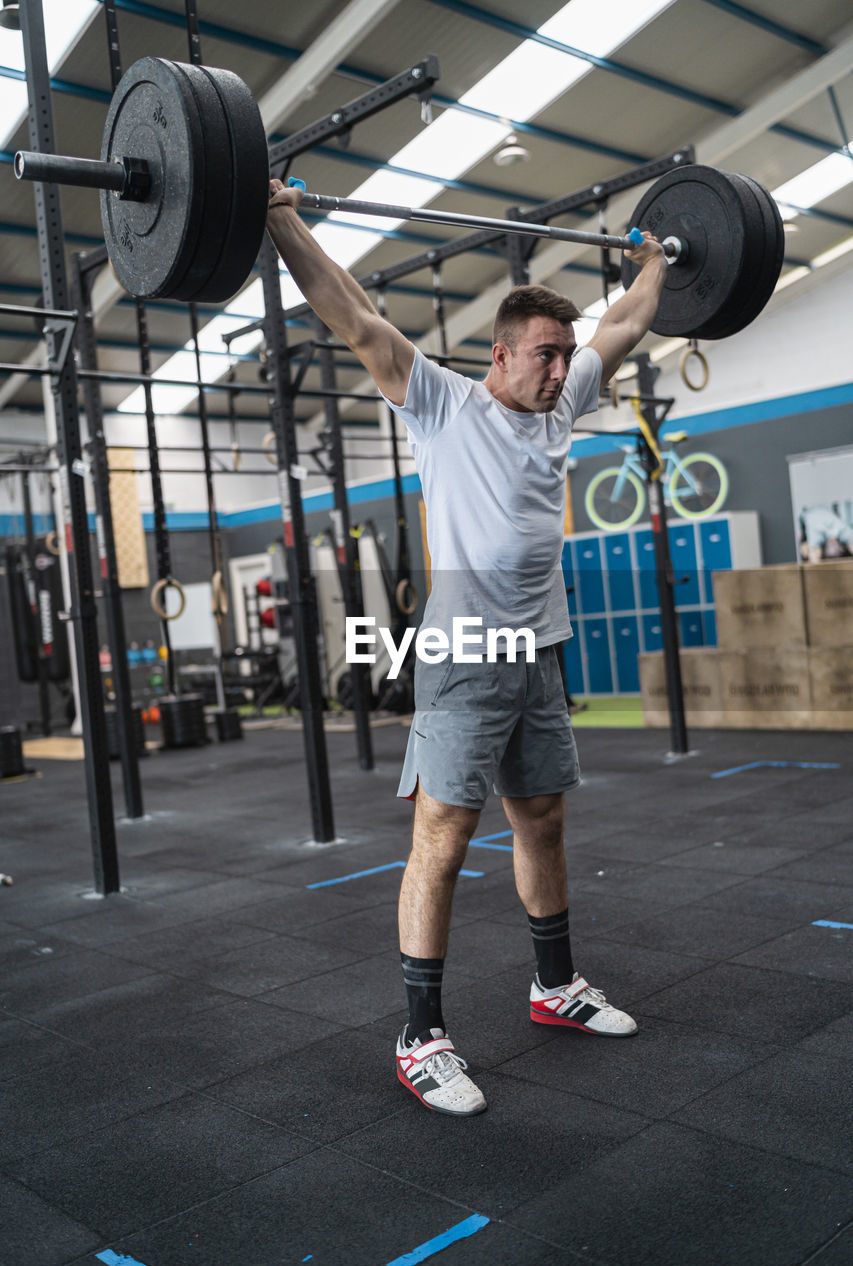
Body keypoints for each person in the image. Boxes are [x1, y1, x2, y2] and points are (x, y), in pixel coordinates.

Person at [267, 179, 667, 1116]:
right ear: (499, 354)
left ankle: (553, 987)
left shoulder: (562, 401)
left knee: (543, 821)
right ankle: (419, 1036)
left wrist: (660, 260)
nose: (561, 367)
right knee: (441, 841)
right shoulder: (444, 404)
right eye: (543, 354)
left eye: (565, 355)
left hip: (540, 652)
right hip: (462, 652)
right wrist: (281, 220)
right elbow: (354, 316)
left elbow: (628, 325)